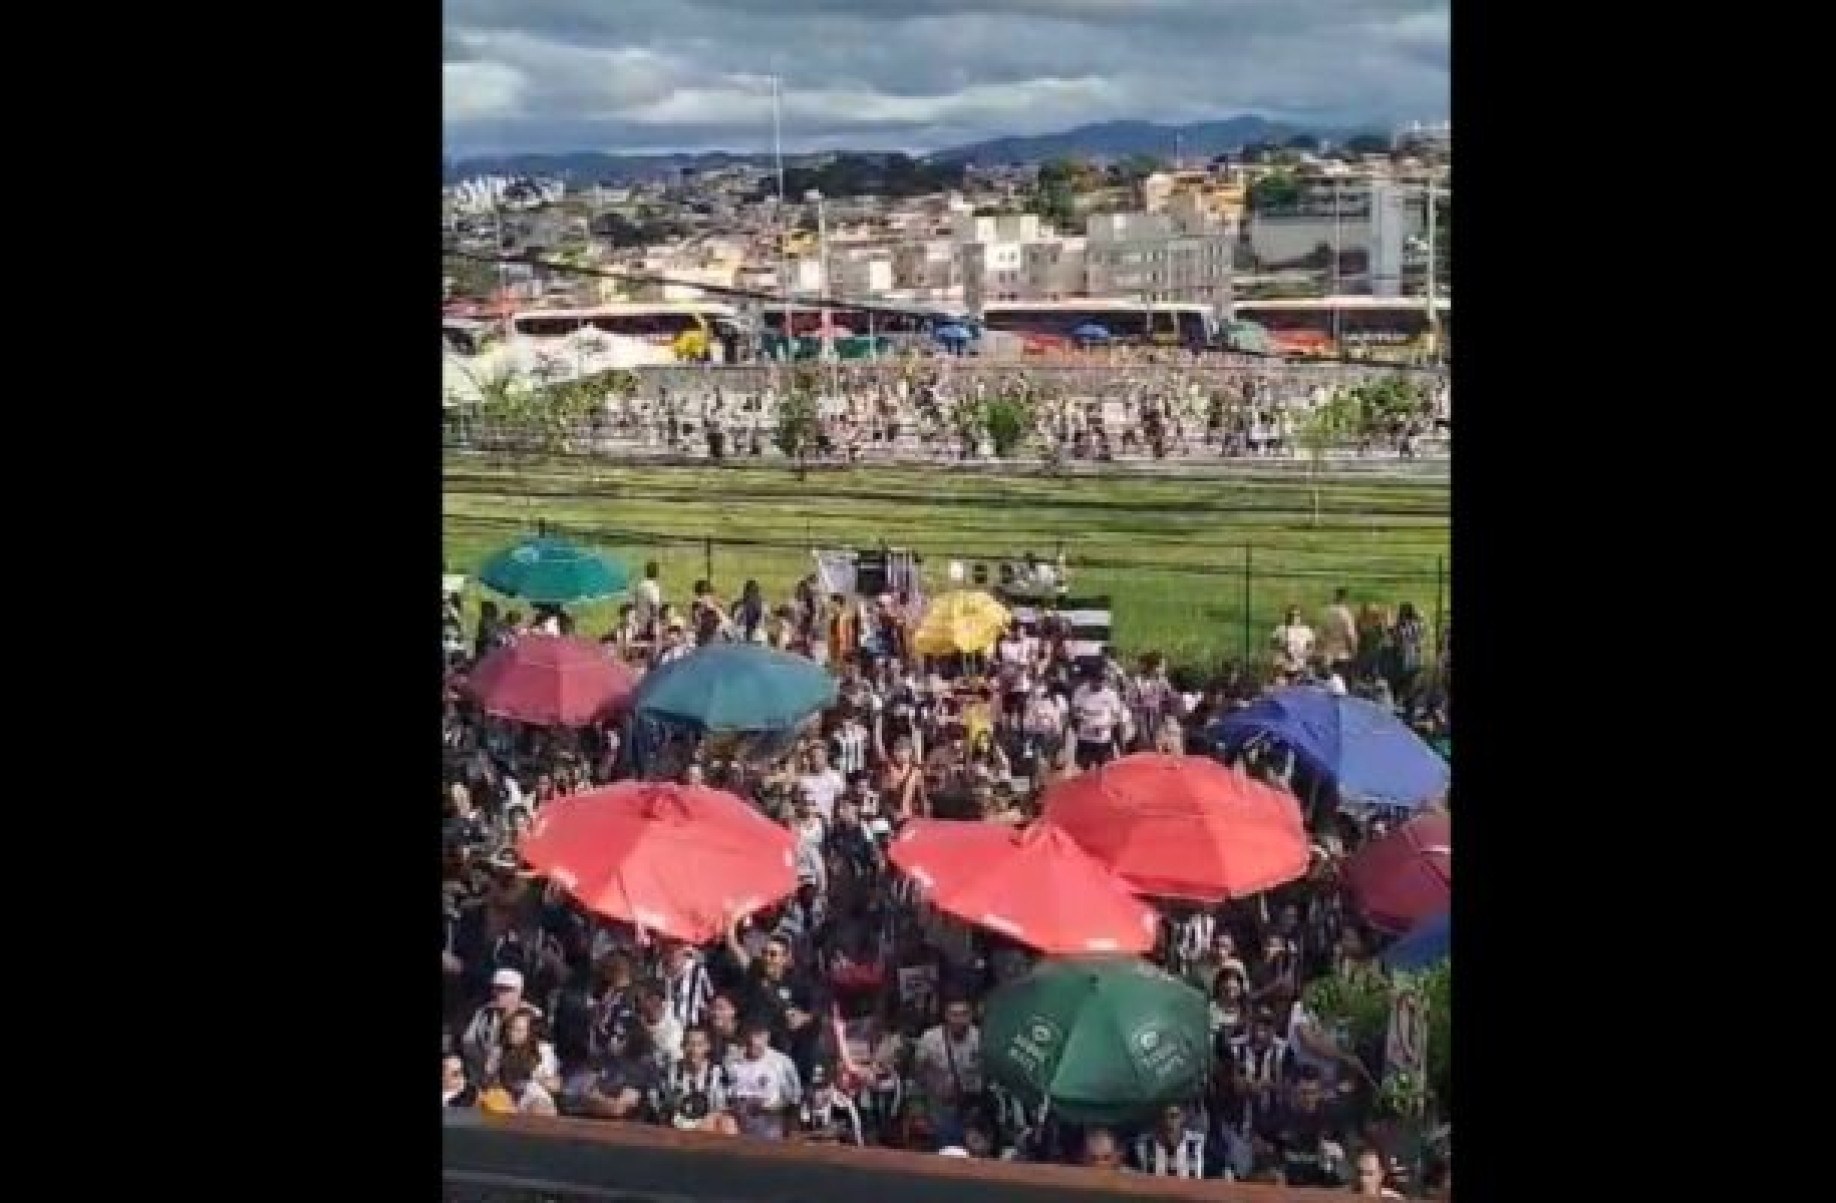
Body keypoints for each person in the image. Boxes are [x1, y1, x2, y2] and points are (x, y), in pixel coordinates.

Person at [912, 996, 982, 1132]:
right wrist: (919, 1111)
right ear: (946, 1015)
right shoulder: (930, 1039)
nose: (959, 1020)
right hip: (939, 1106)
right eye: (954, 1015)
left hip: (971, 1107)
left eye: (964, 1014)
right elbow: (917, 1076)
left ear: (971, 1015)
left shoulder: (980, 1038)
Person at [725, 1019, 803, 1139]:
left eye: (758, 1035)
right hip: (738, 1132)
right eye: (749, 1035)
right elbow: (725, 1096)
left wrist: (768, 1109)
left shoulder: (782, 1062)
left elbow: (794, 1099)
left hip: (770, 1134)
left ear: (767, 1036)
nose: (753, 1041)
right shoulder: (731, 1061)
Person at [460, 968, 544, 1080]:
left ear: (518, 992)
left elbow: (540, 1049)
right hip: (486, 1074)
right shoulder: (483, 1013)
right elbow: (468, 1042)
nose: (498, 994)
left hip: (525, 1075)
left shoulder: (534, 1015)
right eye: (496, 989)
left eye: (505, 990)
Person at [652, 1025, 738, 1134]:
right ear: (682, 1046)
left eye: (699, 1045)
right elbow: (659, 1106)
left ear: (708, 1046)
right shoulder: (668, 1073)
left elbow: (727, 1107)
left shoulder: (721, 1074)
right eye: (690, 1044)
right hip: (678, 1124)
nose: (694, 1050)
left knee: (728, 1123)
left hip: (710, 1122)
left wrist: (710, 1117)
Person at [1130, 1101, 1221, 1179]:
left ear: (1182, 1117)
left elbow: (1216, 1166)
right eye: (1164, 1117)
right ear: (1158, 1120)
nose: (1168, 1121)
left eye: (1173, 1116)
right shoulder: (1144, 1144)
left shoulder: (1198, 1142)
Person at [796, 1065, 865, 1146]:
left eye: (823, 1087)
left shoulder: (843, 1104)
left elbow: (856, 1129)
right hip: (813, 1144)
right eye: (816, 1088)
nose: (819, 1093)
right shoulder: (806, 1104)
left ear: (831, 1086)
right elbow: (803, 1130)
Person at [1319, 589, 1358, 669]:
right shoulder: (1346, 614)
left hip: (1328, 653)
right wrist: (1354, 650)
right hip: (1342, 653)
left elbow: (1322, 632)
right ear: (1345, 598)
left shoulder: (1327, 612)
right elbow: (1350, 635)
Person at [1272, 606, 1316, 672]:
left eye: (1297, 615)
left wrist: (1305, 654)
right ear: (1288, 616)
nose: (1294, 617)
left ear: (1300, 617)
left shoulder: (1306, 630)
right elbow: (1273, 644)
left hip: (1300, 665)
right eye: (1292, 615)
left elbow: (1311, 646)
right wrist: (1283, 649)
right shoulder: (1281, 629)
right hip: (1283, 665)